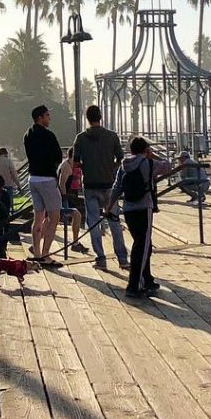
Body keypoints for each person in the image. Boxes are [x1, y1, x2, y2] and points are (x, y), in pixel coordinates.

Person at [105, 136, 172, 299]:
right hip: (144, 207)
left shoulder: (124, 165)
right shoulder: (148, 163)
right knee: (142, 247)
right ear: (145, 150)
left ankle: (147, 278)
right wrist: (153, 156)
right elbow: (169, 166)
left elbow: (116, 187)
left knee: (143, 244)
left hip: (128, 208)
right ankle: (134, 285)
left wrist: (109, 207)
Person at [72, 104, 128, 270]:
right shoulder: (112, 136)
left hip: (90, 185)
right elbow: (121, 159)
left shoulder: (80, 138)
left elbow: (76, 162)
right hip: (109, 183)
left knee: (94, 223)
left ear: (87, 118)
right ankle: (122, 258)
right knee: (114, 222)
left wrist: (87, 166)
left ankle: (101, 258)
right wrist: (111, 167)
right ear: (100, 117)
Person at [24, 105, 64, 264]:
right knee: (54, 217)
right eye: (47, 115)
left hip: (32, 178)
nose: (49, 118)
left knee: (38, 217)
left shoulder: (27, 135)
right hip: (47, 179)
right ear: (40, 117)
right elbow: (58, 157)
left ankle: (37, 252)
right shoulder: (48, 135)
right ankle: (46, 254)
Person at [57, 147, 88, 253]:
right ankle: (75, 243)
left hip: (67, 195)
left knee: (50, 220)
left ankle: (75, 243)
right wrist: (64, 198)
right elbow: (61, 183)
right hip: (62, 196)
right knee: (77, 215)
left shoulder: (68, 165)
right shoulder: (67, 167)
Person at [0, 147, 23, 211]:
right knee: (8, 203)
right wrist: (18, 185)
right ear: (6, 153)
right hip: (8, 184)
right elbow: (14, 174)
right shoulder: (8, 161)